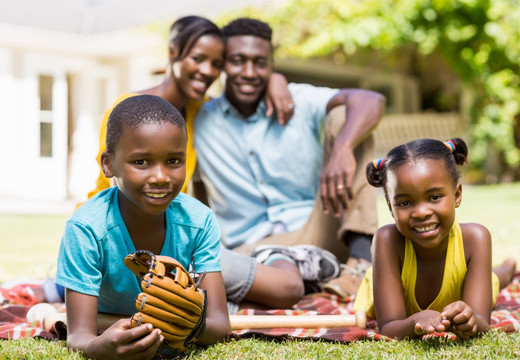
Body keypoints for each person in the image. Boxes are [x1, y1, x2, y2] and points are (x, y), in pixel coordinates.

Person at [82, 15, 337, 312]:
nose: (207, 71)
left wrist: (276, 81)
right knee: (284, 287)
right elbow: (117, 194)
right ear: (172, 53)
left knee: (274, 286)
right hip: (124, 242)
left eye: (216, 64)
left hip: (172, 240)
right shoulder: (130, 113)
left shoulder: (197, 111)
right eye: (198, 58)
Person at [193, 18, 386, 298]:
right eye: (238, 61)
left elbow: (370, 100)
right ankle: (317, 278)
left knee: (347, 116)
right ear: (222, 63)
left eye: (260, 63)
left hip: (317, 229)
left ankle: (361, 261)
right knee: (213, 272)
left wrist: (342, 148)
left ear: (271, 64)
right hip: (251, 248)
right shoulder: (199, 119)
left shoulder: (297, 99)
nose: (249, 72)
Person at [56, 95, 230, 359]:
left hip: (209, 268)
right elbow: (79, 335)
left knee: (285, 288)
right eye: (141, 162)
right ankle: (53, 289)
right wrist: (97, 347)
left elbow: (220, 325)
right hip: (103, 296)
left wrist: (191, 325)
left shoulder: (199, 220)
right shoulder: (86, 228)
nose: (160, 177)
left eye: (174, 161)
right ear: (108, 164)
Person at [353, 137, 517, 340]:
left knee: (493, 280)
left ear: (457, 194)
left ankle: (507, 269)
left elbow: (481, 322)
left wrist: (469, 320)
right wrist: (415, 321)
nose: (421, 212)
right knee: (489, 278)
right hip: (379, 281)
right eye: (404, 203)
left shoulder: (476, 239)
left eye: (434, 197)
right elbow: (388, 326)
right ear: (390, 206)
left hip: (470, 279)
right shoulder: (387, 240)